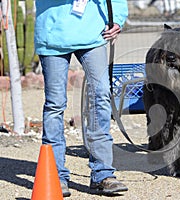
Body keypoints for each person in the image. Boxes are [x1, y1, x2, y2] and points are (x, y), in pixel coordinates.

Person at [34, 0, 128, 197]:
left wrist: (117, 19)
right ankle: (56, 175)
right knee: (55, 105)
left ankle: (103, 174)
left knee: (101, 95)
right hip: (53, 37)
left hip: (93, 35)